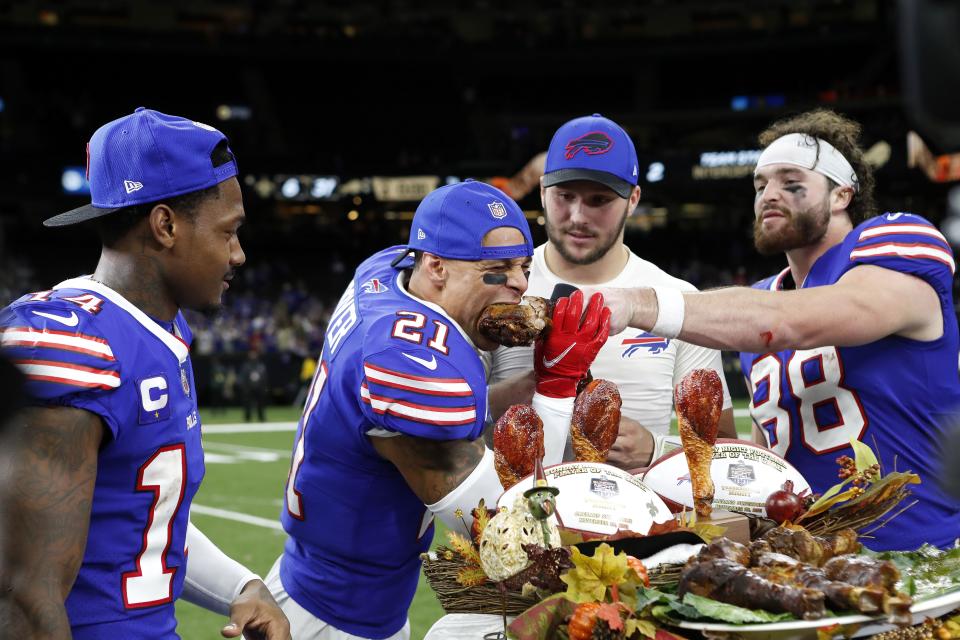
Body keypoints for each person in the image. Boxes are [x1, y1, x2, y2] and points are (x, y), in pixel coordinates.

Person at [596, 109, 960, 550]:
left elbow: (788, 322)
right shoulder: (762, 301)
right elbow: (763, 470)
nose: (769, 194)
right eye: (761, 184)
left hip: (925, 561)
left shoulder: (894, 238)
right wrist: (657, 456)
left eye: (791, 182)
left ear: (842, 193)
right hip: (813, 569)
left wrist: (642, 301)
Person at [267, 179, 609, 639]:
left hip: (353, 599)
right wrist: (557, 388)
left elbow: (471, 406)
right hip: (327, 617)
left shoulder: (390, 281)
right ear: (436, 266)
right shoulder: (407, 364)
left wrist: (533, 382)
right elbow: (522, 531)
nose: (521, 283)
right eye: (498, 268)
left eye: (524, 266)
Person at [0, 108, 290, 639]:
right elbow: (23, 598)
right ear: (166, 226)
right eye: (228, 232)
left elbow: (140, 519)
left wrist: (240, 586)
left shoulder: (160, 330)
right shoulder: (72, 346)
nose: (239, 254)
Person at [489, 114, 736, 470]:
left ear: (633, 199)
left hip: (639, 521)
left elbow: (727, 449)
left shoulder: (674, 297)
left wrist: (655, 449)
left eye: (599, 200)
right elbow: (448, 418)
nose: (577, 216)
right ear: (542, 192)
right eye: (565, 196)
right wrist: (529, 389)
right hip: (515, 519)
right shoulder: (499, 288)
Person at [240, 345, 270, 421]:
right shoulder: (246, 366)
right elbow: (243, 377)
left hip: (259, 388)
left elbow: (264, 377)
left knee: (261, 404)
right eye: (251, 354)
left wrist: (264, 387)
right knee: (247, 405)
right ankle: (247, 418)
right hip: (249, 388)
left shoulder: (260, 365)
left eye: (254, 354)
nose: (253, 355)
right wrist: (245, 387)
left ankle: (261, 417)